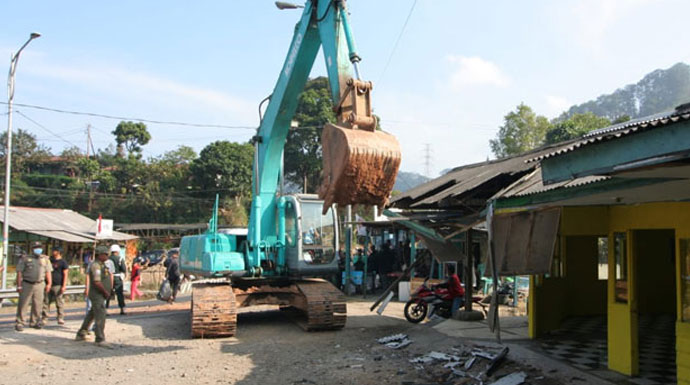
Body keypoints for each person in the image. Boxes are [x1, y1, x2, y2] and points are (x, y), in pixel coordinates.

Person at [75, 246, 113, 347]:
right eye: (105, 254)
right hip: (97, 294)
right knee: (100, 315)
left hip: (100, 294)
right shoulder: (95, 266)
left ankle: (81, 333)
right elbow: (97, 282)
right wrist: (105, 292)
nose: (107, 256)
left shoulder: (102, 265)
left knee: (92, 314)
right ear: (100, 255)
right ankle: (100, 338)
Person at [15, 242, 52, 331]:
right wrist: (19, 285)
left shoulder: (45, 259)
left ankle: (35, 322)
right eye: (36, 247)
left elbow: (48, 272)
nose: (38, 249)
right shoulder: (25, 259)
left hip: (40, 284)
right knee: (23, 304)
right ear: (32, 249)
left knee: (38, 304)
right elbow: (19, 272)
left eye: (39, 247)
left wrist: (49, 283)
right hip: (27, 284)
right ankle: (20, 323)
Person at [42, 247, 69, 325]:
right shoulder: (50, 260)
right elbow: (43, 257)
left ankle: (60, 317)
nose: (53, 252)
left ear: (59, 252)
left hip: (58, 285)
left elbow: (65, 274)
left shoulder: (63, 262)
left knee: (59, 302)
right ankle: (44, 318)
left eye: (55, 251)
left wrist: (64, 286)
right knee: (46, 302)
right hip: (48, 284)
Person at [106, 244, 127, 315]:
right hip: (118, 278)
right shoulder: (120, 259)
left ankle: (106, 309)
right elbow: (124, 269)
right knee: (119, 294)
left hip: (108, 278)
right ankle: (122, 309)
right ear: (117, 251)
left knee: (108, 293)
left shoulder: (107, 259)